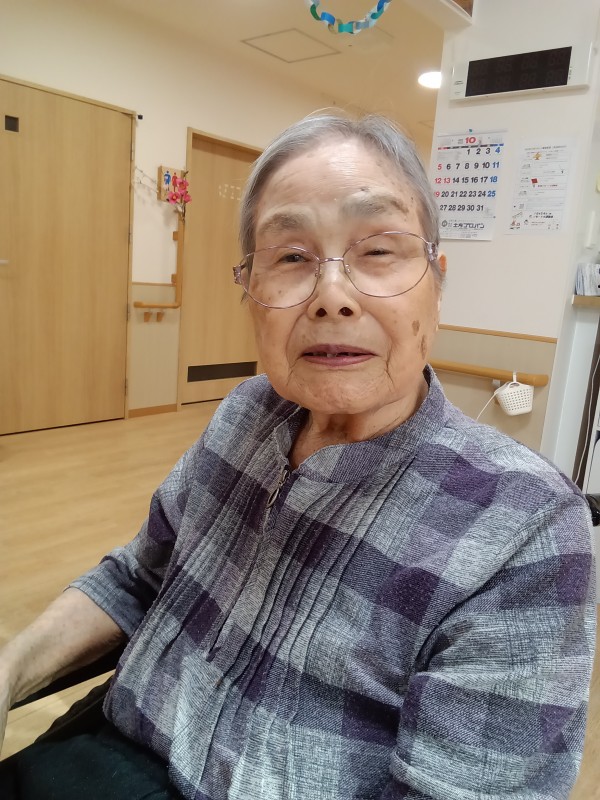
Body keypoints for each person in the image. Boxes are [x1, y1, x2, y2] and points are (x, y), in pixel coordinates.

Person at [0, 112, 595, 800]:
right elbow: (138, 578)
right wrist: (10, 670)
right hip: (103, 741)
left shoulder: (524, 526)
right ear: (249, 293)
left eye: (379, 250)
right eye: (290, 257)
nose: (332, 298)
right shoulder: (246, 415)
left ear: (437, 283)